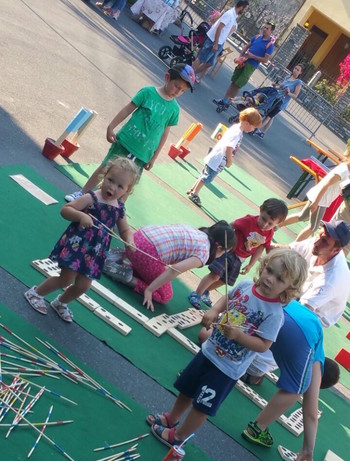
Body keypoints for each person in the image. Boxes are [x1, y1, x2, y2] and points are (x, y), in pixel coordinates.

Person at [145, 248, 308, 447]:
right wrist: (214, 311)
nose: (270, 279)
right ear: (264, 266)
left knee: (202, 405)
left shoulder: (274, 314)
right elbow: (226, 298)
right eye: (270, 271)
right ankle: (172, 418)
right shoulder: (247, 285)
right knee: (186, 388)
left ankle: (179, 436)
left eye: (280, 279)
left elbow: (264, 344)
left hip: (227, 369)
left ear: (290, 287)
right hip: (209, 351)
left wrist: (239, 336)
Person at [24, 157, 138, 322]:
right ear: (104, 176)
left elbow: (125, 229)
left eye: (120, 186)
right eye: (110, 180)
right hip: (78, 246)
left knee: (84, 285)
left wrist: (130, 240)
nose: (113, 187)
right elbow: (66, 210)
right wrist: (81, 216)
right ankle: (35, 293)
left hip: (95, 253)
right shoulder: (91, 198)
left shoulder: (119, 208)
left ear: (127, 191)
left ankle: (61, 303)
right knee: (66, 279)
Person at [64, 63, 195, 202]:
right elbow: (128, 109)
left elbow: (164, 133)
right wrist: (111, 127)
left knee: (128, 183)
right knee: (106, 168)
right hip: (125, 142)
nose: (178, 92)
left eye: (182, 91)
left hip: (144, 153)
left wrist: (154, 157)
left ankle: (116, 210)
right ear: (167, 77)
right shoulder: (148, 93)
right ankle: (82, 193)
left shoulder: (174, 109)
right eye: (177, 86)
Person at [245, 219, 350, 384]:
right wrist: (263, 242)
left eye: (324, 241)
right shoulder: (318, 244)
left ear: (336, 250)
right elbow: (289, 249)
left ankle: (258, 369)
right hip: (295, 293)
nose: (317, 241)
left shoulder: (332, 279)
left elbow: (298, 313)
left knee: (258, 355)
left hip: (310, 317)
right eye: (320, 235)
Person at [242, 300, 340, 461]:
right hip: (298, 329)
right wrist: (308, 449)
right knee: (296, 389)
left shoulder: (315, 344)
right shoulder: (316, 360)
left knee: (239, 337)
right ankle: (256, 429)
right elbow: (311, 413)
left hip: (279, 306)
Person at [108, 221, 236, 312]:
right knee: (165, 295)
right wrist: (150, 290)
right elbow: (174, 270)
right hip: (147, 253)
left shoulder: (197, 232)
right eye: (224, 253)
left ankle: (120, 258)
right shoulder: (204, 253)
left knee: (156, 269)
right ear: (219, 248)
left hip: (135, 239)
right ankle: (127, 277)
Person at [188, 198, 288, 309]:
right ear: (260, 210)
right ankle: (197, 293)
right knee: (215, 275)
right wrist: (223, 240)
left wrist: (251, 264)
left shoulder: (269, 233)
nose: (265, 225)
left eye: (270, 223)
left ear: (277, 224)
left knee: (224, 280)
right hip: (229, 251)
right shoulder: (248, 221)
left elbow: (260, 248)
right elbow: (231, 226)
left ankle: (205, 291)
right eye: (263, 219)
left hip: (240, 259)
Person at [186, 108, 262, 207]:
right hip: (219, 159)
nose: (253, 130)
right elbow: (229, 147)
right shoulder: (237, 133)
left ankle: (192, 189)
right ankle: (194, 193)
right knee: (207, 177)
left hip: (216, 157)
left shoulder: (236, 129)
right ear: (247, 123)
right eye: (253, 127)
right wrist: (230, 160)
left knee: (205, 174)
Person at [280, 149, 350, 241]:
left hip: (320, 198)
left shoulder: (346, 169)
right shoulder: (343, 171)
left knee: (302, 216)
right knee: (313, 227)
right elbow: (326, 184)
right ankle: (295, 246)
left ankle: (276, 225)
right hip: (321, 199)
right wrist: (316, 202)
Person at [215, 22, 275, 108]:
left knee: (238, 84)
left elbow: (265, 60)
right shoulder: (257, 37)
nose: (264, 29)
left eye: (267, 28)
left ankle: (228, 102)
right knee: (234, 81)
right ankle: (224, 99)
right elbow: (246, 46)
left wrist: (253, 56)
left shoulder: (270, 45)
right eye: (264, 27)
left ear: (271, 31)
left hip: (251, 65)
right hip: (243, 61)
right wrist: (240, 56)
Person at [191, 1, 250, 83]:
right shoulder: (230, 14)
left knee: (210, 63)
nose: (245, 11)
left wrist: (219, 44)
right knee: (201, 58)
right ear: (241, 7)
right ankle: (189, 74)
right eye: (245, 9)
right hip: (213, 40)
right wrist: (215, 43)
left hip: (219, 42)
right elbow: (219, 28)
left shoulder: (233, 16)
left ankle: (192, 74)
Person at [254, 64, 304, 139]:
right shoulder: (288, 77)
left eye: (298, 70)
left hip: (281, 102)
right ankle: (262, 132)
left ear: (300, 72)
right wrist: (274, 86)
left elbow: (295, 95)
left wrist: (289, 92)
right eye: (295, 68)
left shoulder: (298, 82)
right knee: (271, 116)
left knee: (269, 116)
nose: (295, 70)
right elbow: (280, 87)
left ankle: (256, 129)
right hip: (276, 97)